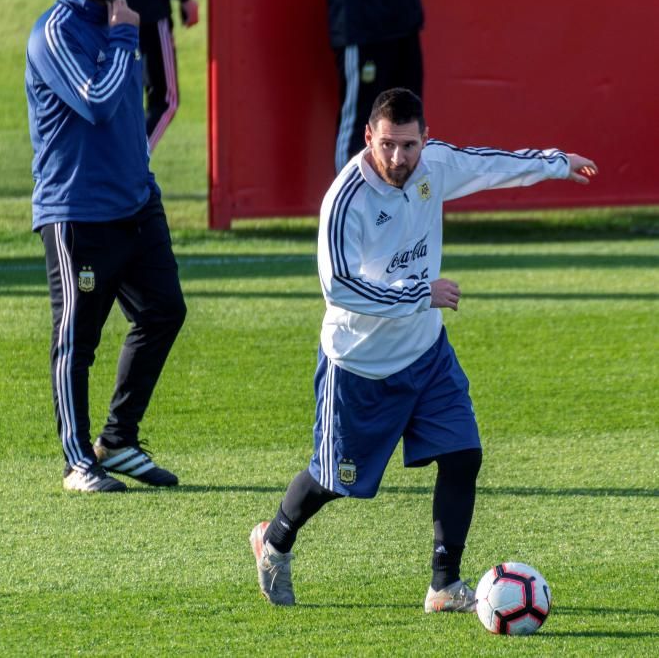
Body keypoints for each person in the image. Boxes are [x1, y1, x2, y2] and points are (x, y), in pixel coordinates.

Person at [250, 88, 598, 610]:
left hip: (427, 354)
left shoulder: (433, 166)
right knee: (333, 482)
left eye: (409, 145)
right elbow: (339, 287)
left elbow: (488, 165)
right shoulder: (345, 200)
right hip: (360, 367)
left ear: (425, 139)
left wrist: (556, 163)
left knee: (463, 456)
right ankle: (273, 540)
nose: (398, 158)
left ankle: (444, 584)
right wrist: (420, 293)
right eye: (387, 144)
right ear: (369, 137)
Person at [27, 0, 187, 492]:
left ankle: (117, 440)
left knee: (164, 310)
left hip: (137, 203)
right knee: (77, 339)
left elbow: (129, 104)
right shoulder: (55, 32)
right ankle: (78, 462)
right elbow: (95, 101)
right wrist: (122, 37)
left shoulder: (120, 18)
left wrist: (139, 171)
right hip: (78, 213)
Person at [47, 0, 199, 151]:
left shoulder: (58, 27)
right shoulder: (53, 32)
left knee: (114, 96)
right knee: (164, 100)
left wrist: (70, 5)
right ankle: (132, 160)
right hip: (147, 9)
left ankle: (123, 161)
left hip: (93, 12)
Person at [325, 0, 424, 173]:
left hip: (404, 21)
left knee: (409, 120)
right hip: (363, 25)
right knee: (360, 125)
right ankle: (351, 202)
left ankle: (413, 204)